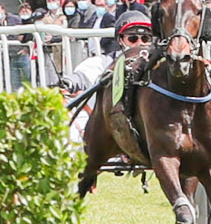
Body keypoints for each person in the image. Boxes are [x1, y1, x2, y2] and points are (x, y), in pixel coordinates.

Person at [61, 12, 156, 143]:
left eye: (145, 39)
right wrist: (69, 82)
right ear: (120, 40)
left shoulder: (158, 67)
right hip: (110, 134)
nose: (140, 44)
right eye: (133, 39)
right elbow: (82, 76)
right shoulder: (104, 63)